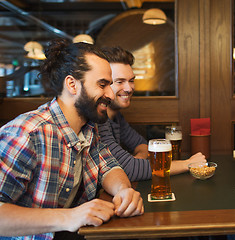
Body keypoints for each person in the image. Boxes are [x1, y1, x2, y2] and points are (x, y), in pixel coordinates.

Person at [0, 39, 144, 240]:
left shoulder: (88, 127)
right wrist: (69, 217)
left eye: (110, 85)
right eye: (103, 84)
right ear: (72, 84)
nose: (111, 94)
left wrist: (123, 191)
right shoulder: (27, 133)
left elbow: (109, 166)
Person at [98, 46, 206, 181]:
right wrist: (187, 164)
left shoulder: (116, 117)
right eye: (120, 82)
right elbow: (130, 170)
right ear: (104, 84)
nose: (129, 88)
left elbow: (142, 145)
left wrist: (136, 162)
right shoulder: (98, 121)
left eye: (131, 80)